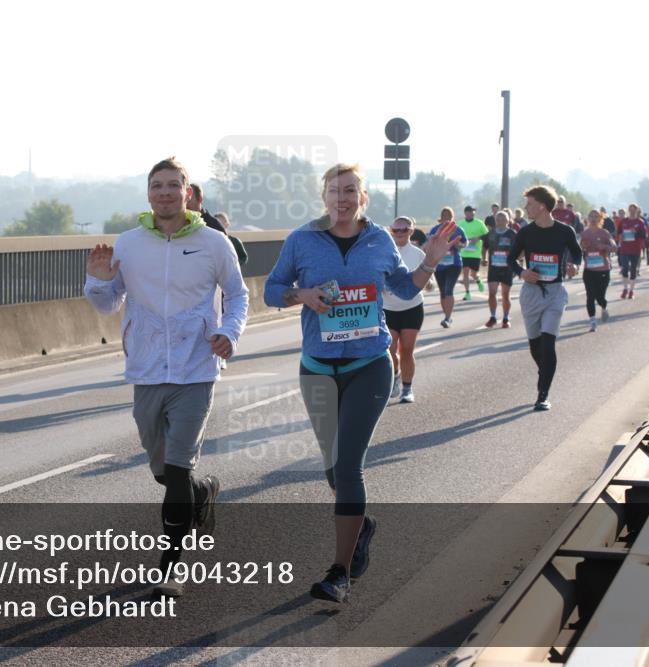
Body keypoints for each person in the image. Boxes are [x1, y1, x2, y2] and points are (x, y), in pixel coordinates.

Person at [264, 162, 457, 604]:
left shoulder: (379, 239)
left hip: (369, 364)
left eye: (350, 190)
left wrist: (429, 261)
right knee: (332, 469)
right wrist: (302, 295)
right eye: (334, 191)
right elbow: (272, 291)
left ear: (362, 196)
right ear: (324, 197)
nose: (342, 198)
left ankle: (340, 572)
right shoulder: (302, 240)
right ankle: (362, 525)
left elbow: (404, 291)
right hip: (317, 366)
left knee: (349, 467)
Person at [85, 157, 248, 598]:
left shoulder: (215, 243)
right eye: (157, 186)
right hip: (147, 368)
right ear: (148, 194)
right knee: (162, 471)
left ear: (187, 192)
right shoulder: (129, 243)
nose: (164, 193)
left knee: (176, 469)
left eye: (172, 185)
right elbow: (107, 303)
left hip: (196, 369)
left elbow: (237, 295)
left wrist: (228, 332)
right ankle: (203, 491)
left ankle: (169, 566)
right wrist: (97, 281)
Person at [507, 185, 582, 411]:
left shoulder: (565, 231)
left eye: (529, 204)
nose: (525, 208)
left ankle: (543, 394)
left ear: (541, 206)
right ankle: (546, 371)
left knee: (548, 344)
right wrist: (522, 273)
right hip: (531, 293)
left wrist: (573, 266)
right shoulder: (526, 232)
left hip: (555, 293)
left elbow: (577, 254)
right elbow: (511, 259)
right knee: (535, 347)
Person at [382, 217, 429, 403]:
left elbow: (427, 278)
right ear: (391, 231)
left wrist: (429, 284)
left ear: (411, 231)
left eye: (404, 229)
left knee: (407, 349)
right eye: (396, 229)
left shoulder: (418, 254)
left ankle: (407, 389)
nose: (400, 232)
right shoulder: (384, 253)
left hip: (412, 307)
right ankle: (395, 376)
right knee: (390, 349)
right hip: (388, 308)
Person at [580, 209, 616, 331]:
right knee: (590, 296)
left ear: (601, 219)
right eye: (591, 216)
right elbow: (580, 247)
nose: (594, 219)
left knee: (600, 296)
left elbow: (614, 247)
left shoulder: (605, 233)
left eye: (596, 217)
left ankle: (604, 306)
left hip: (603, 269)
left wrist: (604, 247)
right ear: (588, 219)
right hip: (589, 269)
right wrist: (584, 246)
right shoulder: (585, 233)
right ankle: (593, 321)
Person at [431, 207, 467, 327]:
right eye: (445, 216)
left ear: (453, 218)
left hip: (454, 264)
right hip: (439, 265)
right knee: (442, 292)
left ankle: (448, 317)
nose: (447, 218)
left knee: (448, 290)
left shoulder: (458, 230)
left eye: (449, 216)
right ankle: (446, 315)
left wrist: (459, 244)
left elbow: (465, 243)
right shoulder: (435, 230)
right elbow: (429, 244)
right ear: (441, 218)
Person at [482, 210, 517, 328]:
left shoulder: (512, 234)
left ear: (508, 221)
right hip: (493, 268)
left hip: (507, 269)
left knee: (505, 294)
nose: (500, 222)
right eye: (498, 219)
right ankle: (492, 317)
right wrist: (484, 258)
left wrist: (516, 259)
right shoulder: (491, 233)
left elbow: (519, 249)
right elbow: (485, 247)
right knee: (492, 293)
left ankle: (506, 318)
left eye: (503, 219)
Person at [616, 204, 647, 300]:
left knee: (633, 270)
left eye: (634, 210)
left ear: (637, 211)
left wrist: (636, 233)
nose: (632, 211)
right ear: (628, 210)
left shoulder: (640, 222)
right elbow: (619, 232)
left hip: (635, 249)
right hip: (625, 248)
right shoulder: (624, 221)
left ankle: (631, 290)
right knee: (625, 268)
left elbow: (643, 235)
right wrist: (620, 237)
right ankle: (625, 288)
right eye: (630, 210)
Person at [458, 205, 487, 300]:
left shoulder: (479, 223)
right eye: (469, 213)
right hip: (464, 253)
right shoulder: (460, 224)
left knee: (473, 274)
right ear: (465, 213)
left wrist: (477, 238)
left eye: (473, 213)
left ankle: (478, 281)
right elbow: (456, 236)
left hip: (475, 253)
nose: (471, 214)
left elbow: (487, 235)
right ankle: (467, 293)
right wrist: (461, 242)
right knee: (465, 273)